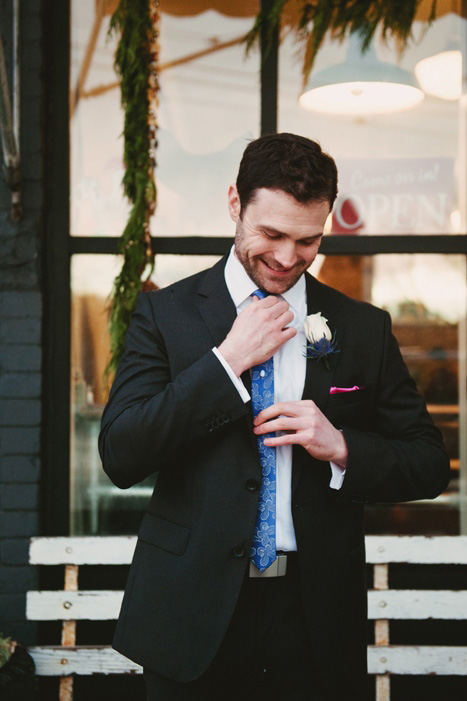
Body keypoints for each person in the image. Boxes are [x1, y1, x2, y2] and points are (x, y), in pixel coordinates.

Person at [99, 133, 450, 701]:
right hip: (192, 613)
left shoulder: (363, 327)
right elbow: (120, 453)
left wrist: (342, 448)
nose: (288, 258)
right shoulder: (165, 315)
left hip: (314, 620)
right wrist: (227, 363)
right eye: (272, 234)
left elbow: (430, 464)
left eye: (308, 241)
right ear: (235, 203)